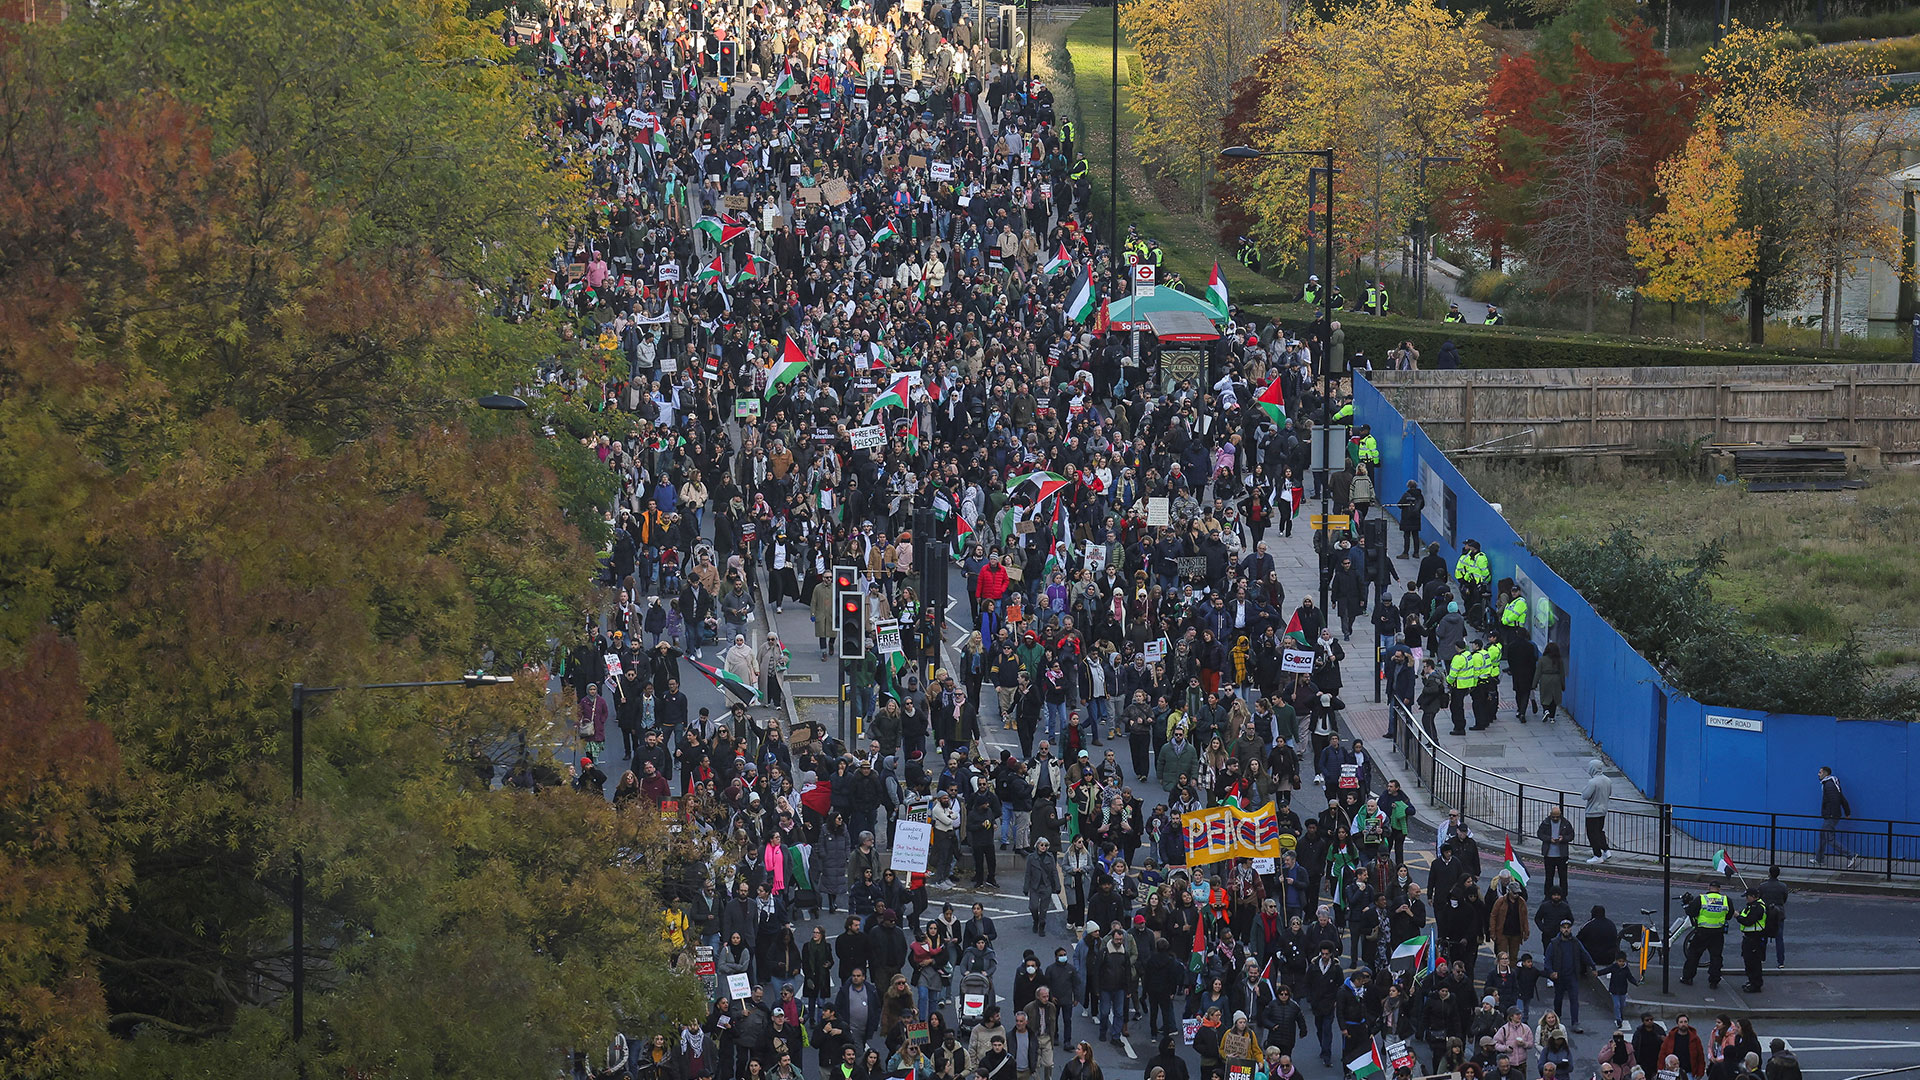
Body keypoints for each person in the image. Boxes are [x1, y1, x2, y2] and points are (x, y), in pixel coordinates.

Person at [1541, 920, 1594, 1033]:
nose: (1566, 929)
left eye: (1568, 927)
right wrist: (1551, 972)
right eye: (1564, 927)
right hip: (1559, 977)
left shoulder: (1575, 942)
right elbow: (1548, 960)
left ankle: (1575, 1023)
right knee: (1558, 999)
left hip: (1572, 976)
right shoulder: (1554, 943)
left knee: (1574, 999)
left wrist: (1593, 966)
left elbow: (1584, 954)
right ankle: (1556, 1020)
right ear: (1560, 929)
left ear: (1571, 929)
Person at [1679, 888, 1729, 989]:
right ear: (1719, 889)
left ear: (1709, 888)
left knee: (1693, 955)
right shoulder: (1725, 899)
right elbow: (1729, 915)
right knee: (1716, 957)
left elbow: (1691, 912)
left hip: (1702, 932)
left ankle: (1687, 978)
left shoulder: (1702, 899)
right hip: (1718, 933)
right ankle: (1714, 981)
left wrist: (1686, 905)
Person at [1814, 766, 1858, 868]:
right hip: (1832, 815)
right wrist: (1847, 811)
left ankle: (1851, 855)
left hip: (1831, 816)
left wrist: (1831, 814)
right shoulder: (1833, 784)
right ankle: (1819, 859)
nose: (1818, 774)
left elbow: (1835, 800)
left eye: (1820, 772)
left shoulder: (1829, 785)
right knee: (1822, 836)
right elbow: (1841, 797)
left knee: (1829, 839)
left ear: (1825, 774)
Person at [1753, 865, 1789, 968]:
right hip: (1779, 913)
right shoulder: (1783, 886)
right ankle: (1780, 962)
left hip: (1766, 913)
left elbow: (1758, 898)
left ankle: (1761, 958)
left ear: (1769, 873)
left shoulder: (1762, 886)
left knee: (1763, 936)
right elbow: (1784, 899)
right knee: (1779, 938)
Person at [1735, 888, 1769, 993]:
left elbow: (1749, 921)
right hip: (1749, 938)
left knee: (1754, 963)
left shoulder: (1758, 907)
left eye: (1747, 896)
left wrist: (1737, 917)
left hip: (1755, 939)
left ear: (1753, 896)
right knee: (1749, 962)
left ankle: (1756, 985)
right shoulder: (1752, 906)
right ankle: (1752, 981)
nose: (1746, 899)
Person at [1535, 807, 1574, 898]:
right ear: (1550, 815)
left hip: (1562, 855)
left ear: (1560, 815)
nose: (1555, 819)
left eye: (1557, 817)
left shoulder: (1566, 823)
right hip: (1549, 855)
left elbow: (1571, 835)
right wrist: (1549, 839)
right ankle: (1548, 896)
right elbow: (1540, 834)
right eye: (1553, 817)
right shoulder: (1545, 823)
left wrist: (1563, 839)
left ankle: (1563, 896)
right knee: (1549, 877)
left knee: (1563, 877)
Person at [1583, 760, 1613, 862]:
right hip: (1603, 810)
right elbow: (1609, 793)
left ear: (1592, 768)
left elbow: (1585, 796)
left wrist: (1584, 789)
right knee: (1599, 832)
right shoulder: (1608, 780)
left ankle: (1597, 855)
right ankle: (1606, 850)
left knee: (1592, 834)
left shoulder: (1592, 782)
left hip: (1592, 812)